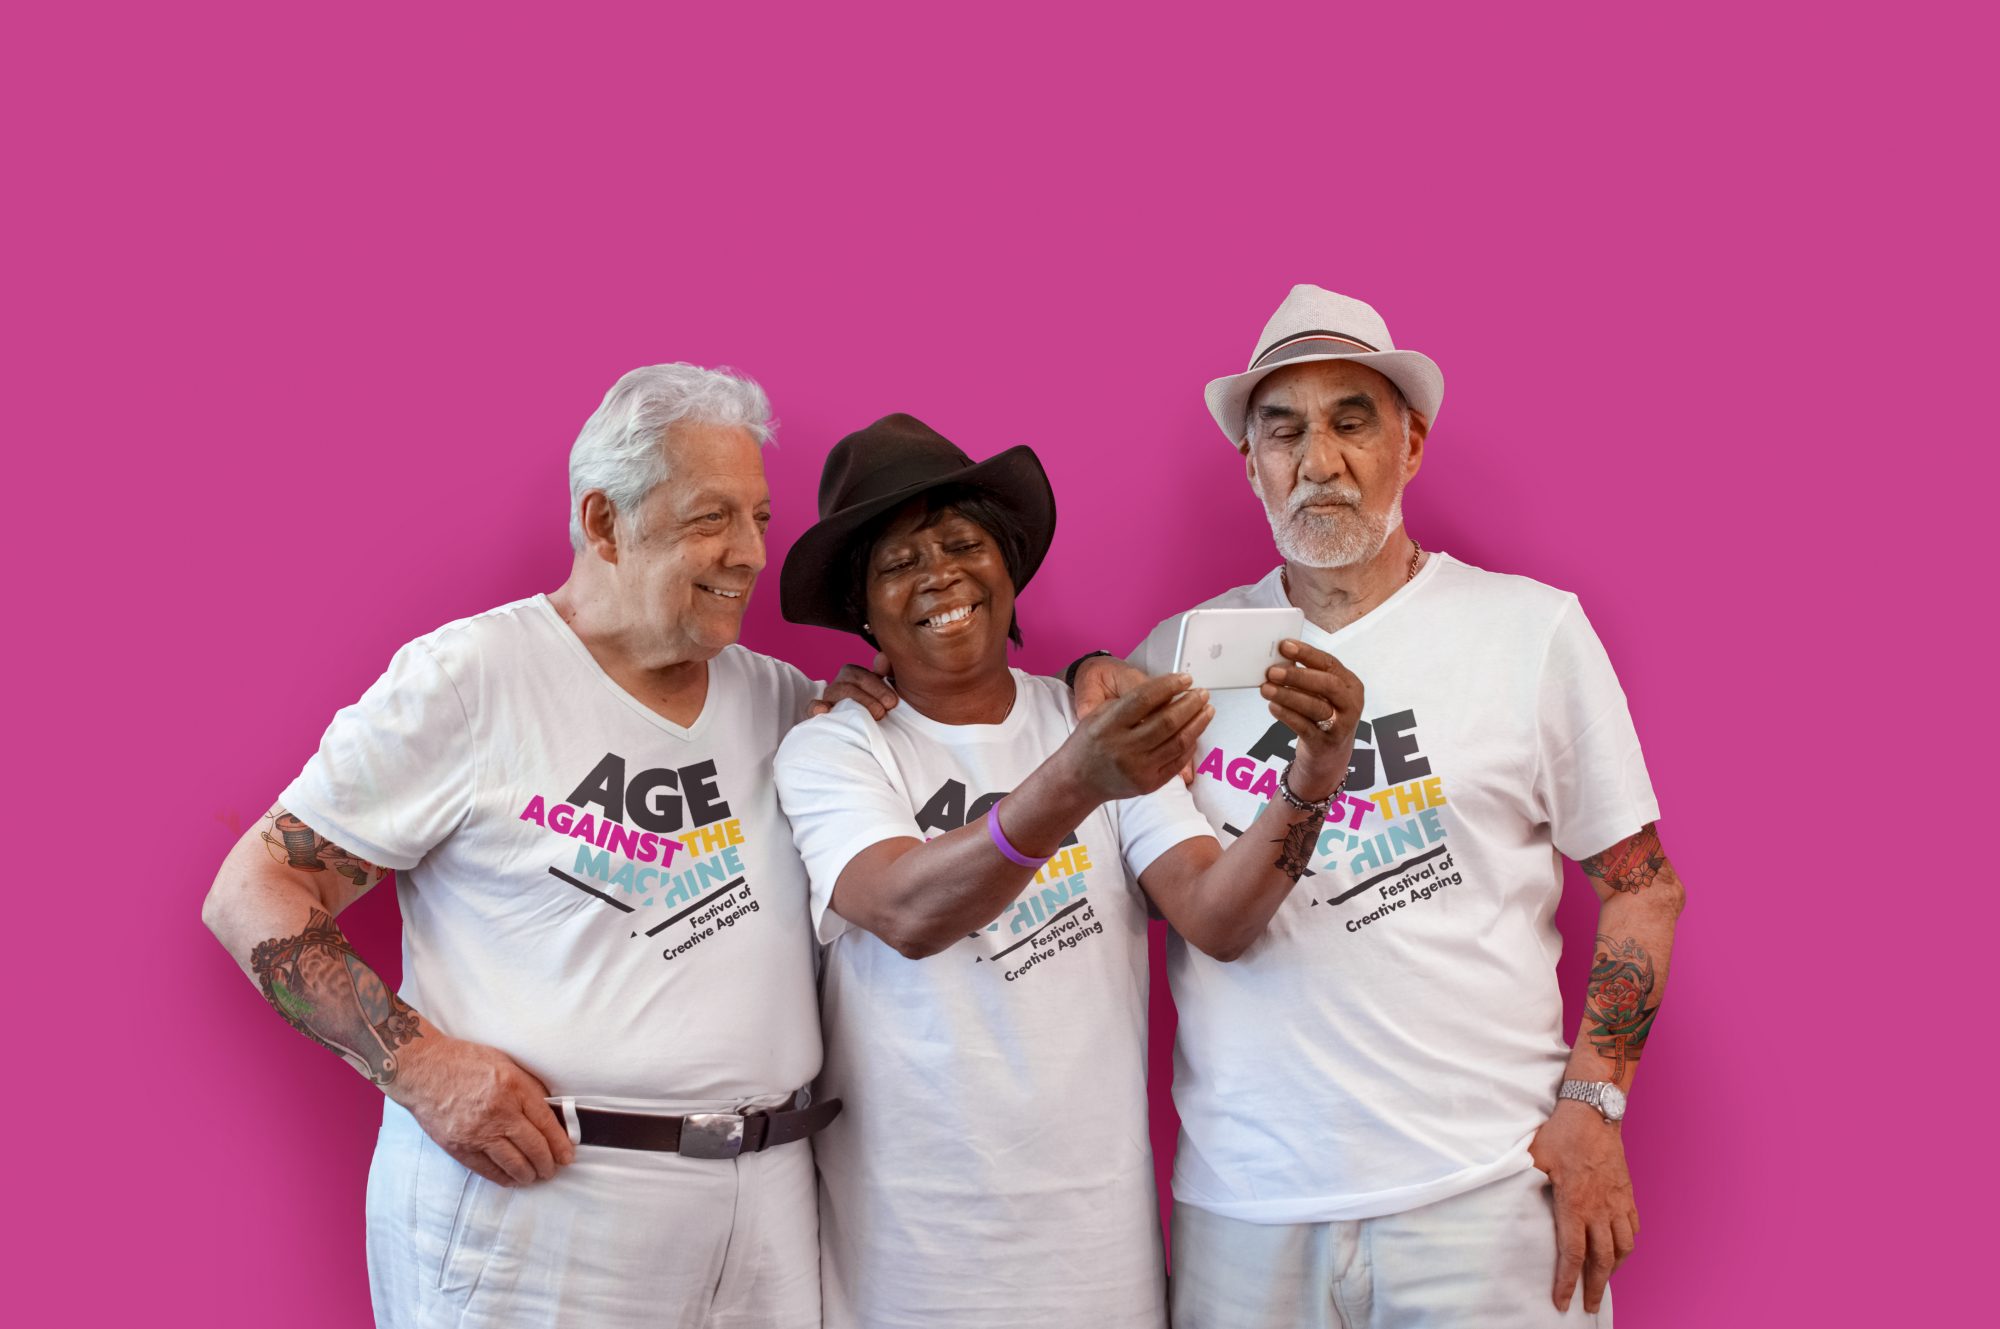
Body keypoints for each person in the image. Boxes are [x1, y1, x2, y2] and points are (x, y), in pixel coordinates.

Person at [201, 364, 891, 1329]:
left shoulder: (781, 700)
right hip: (540, 1210)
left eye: (760, 517)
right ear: (604, 521)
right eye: (711, 518)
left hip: (769, 1209)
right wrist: (420, 1068)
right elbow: (253, 888)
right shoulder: (472, 679)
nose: (748, 554)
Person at [1075, 285, 1689, 1326]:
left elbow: (1641, 889)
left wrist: (1593, 1107)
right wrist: (1084, 666)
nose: (1318, 461)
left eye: (1352, 421)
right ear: (1251, 466)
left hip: (1484, 1195)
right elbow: (1139, 850)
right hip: (1246, 1209)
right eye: (1284, 431)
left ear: (1410, 444)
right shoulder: (1175, 659)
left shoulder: (1527, 632)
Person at [770, 413, 1362, 1329]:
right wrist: (1079, 777)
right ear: (862, 608)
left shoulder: (1102, 723)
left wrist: (1311, 781)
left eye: (965, 544)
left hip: (1097, 1258)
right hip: (908, 1260)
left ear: (1008, 568)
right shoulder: (832, 750)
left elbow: (1217, 916)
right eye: (897, 563)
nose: (939, 575)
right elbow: (903, 909)